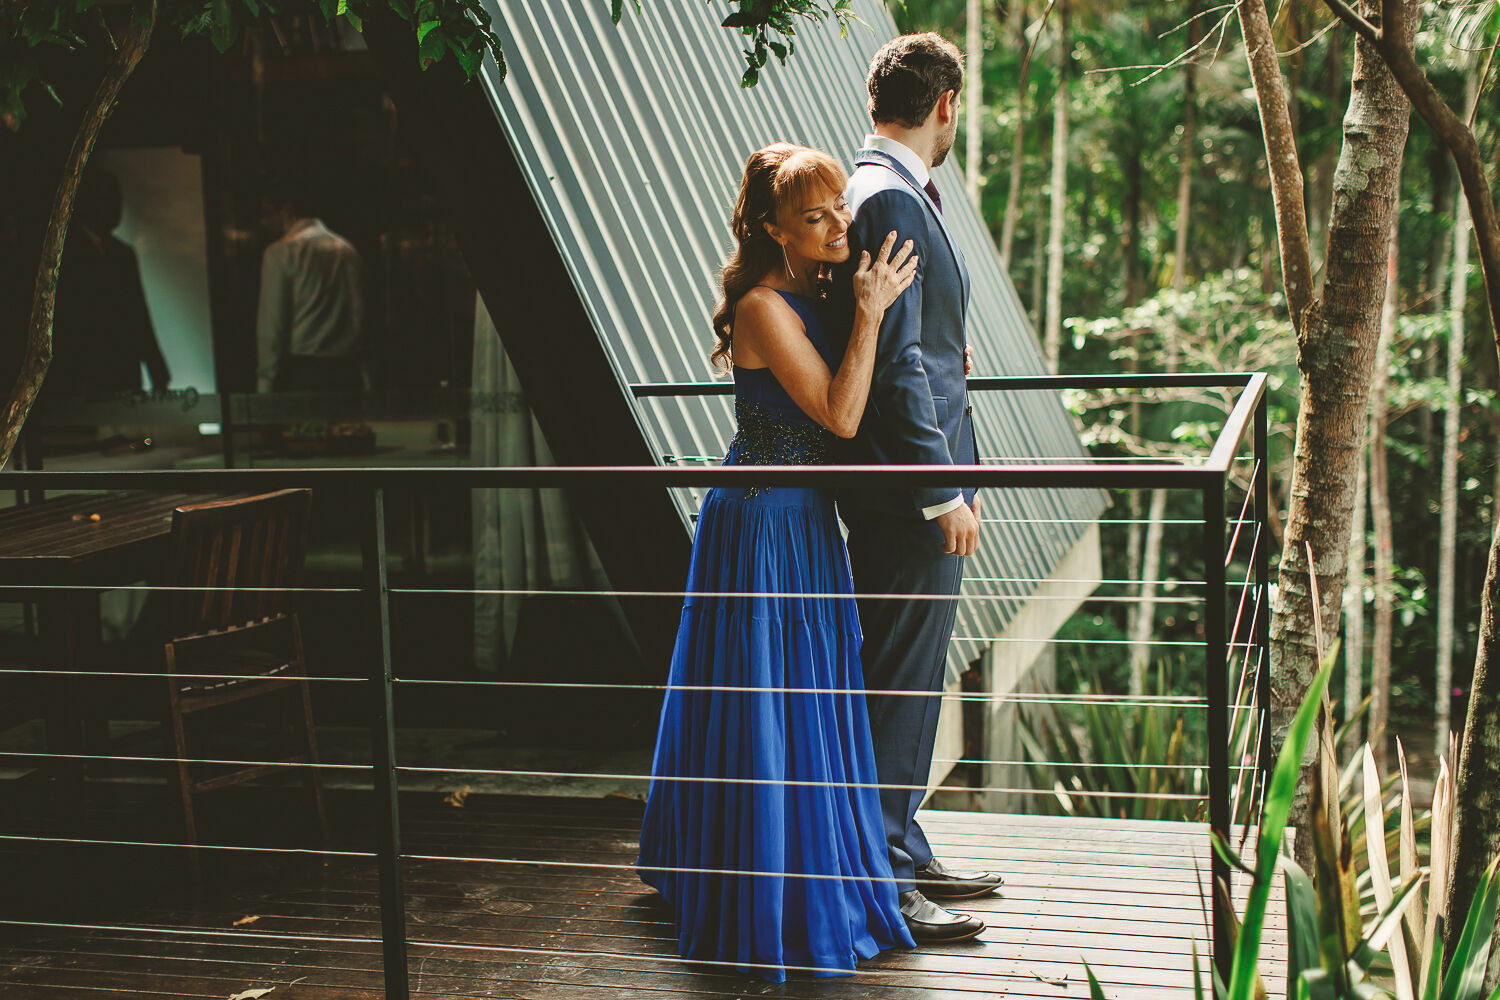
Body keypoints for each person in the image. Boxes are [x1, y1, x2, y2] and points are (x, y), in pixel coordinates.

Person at [637, 143, 919, 981]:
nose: (838, 226)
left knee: (798, 691)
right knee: (766, 693)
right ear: (772, 229)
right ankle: (761, 889)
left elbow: (864, 386)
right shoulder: (764, 306)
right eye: (814, 218)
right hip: (763, 525)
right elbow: (839, 412)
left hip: (803, 521)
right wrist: (870, 316)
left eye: (839, 210)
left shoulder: (814, 287)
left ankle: (793, 861)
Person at [833, 32, 1003, 943]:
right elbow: (897, 368)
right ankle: (886, 878)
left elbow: (918, 339)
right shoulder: (893, 195)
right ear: (944, 104)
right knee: (898, 681)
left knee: (908, 675)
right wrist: (942, 492)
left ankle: (904, 841)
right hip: (908, 493)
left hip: (904, 483)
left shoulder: (877, 187)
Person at [49, 169, 170, 398]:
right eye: (111, 199)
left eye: (118, 200)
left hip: (122, 373)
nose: (118, 207)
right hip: (83, 379)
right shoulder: (67, 255)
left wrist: (158, 371)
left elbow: (138, 315)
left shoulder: (122, 255)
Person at [255, 188, 366, 394]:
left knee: (305, 427)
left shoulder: (280, 253)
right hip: (346, 371)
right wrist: (367, 375)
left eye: (267, 212)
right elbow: (360, 317)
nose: (264, 222)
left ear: (287, 210)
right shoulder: (347, 250)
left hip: (302, 372)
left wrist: (266, 382)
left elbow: (272, 325)